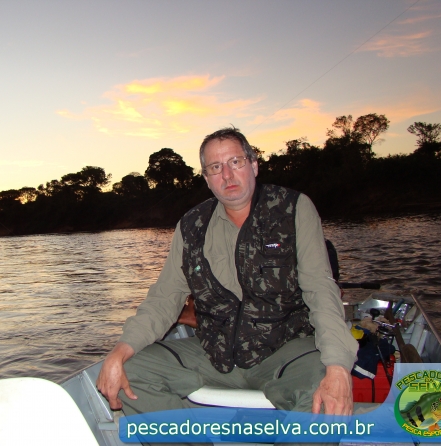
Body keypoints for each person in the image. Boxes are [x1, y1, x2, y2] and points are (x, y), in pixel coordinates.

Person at [97, 127, 358, 423]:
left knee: (324, 394)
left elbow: (320, 290)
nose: (227, 175)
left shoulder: (293, 208)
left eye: (235, 162)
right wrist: (120, 351)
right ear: (207, 179)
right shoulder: (190, 226)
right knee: (131, 371)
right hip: (214, 354)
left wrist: (337, 365)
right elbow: (163, 299)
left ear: (253, 165)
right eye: (215, 167)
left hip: (287, 351)